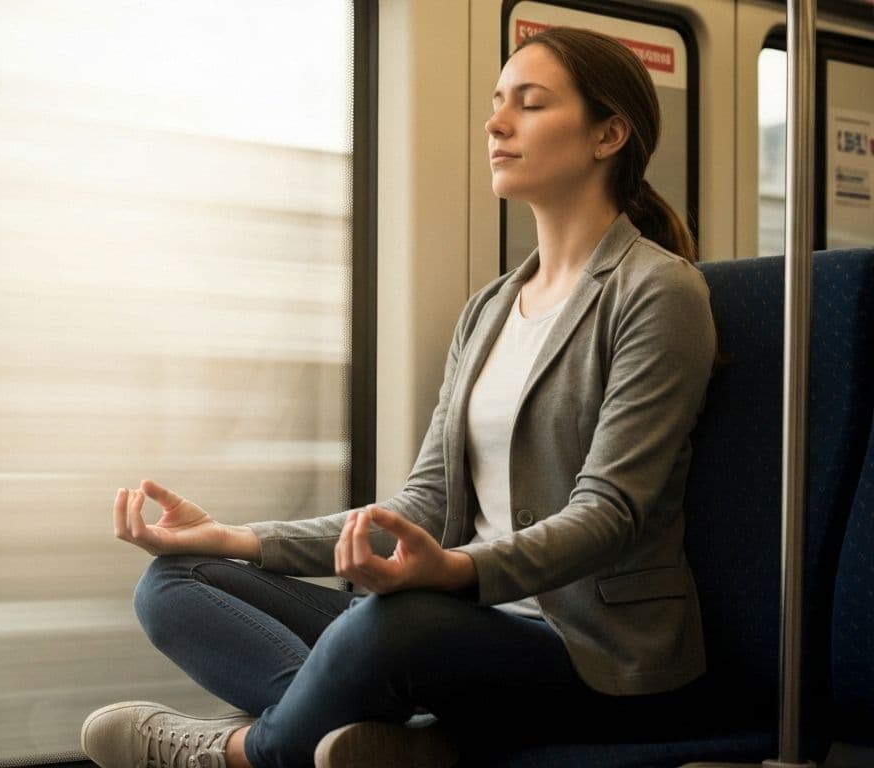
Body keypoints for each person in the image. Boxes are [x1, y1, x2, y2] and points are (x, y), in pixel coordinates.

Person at [81, 26, 716, 768]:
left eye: (530, 104)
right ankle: (402, 738)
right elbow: (422, 503)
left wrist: (454, 573)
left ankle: (245, 753)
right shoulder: (489, 309)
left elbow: (610, 513)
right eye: (495, 103)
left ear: (609, 133)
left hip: (591, 652)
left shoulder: (659, 291)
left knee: (388, 627)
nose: (496, 123)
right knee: (176, 582)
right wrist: (239, 539)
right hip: (461, 624)